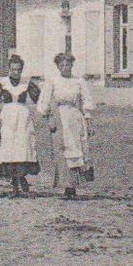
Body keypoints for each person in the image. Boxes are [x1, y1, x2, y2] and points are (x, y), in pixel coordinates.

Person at [40, 51, 96, 200]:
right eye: (62, 65)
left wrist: (88, 121)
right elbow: (44, 102)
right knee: (62, 149)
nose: (65, 68)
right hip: (59, 117)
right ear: (58, 67)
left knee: (77, 149)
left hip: (75, 118)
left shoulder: (79, 81)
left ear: (72, 65)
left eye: (68, 65)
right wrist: (49, 119)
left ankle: (74, 185)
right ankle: (66, 185)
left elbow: (87, 102)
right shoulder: (52, 81)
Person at [0, 53, 42, 197]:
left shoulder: (27, 82)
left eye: (18, 69)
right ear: (9, 69)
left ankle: (22, 177)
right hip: (7, 115)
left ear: (22, 69)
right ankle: (14, 186)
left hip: (22, 116)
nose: (16, 72)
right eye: (13, 69)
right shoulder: (2, 82)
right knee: (9, 149)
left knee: (23, 147)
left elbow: (39, 98)